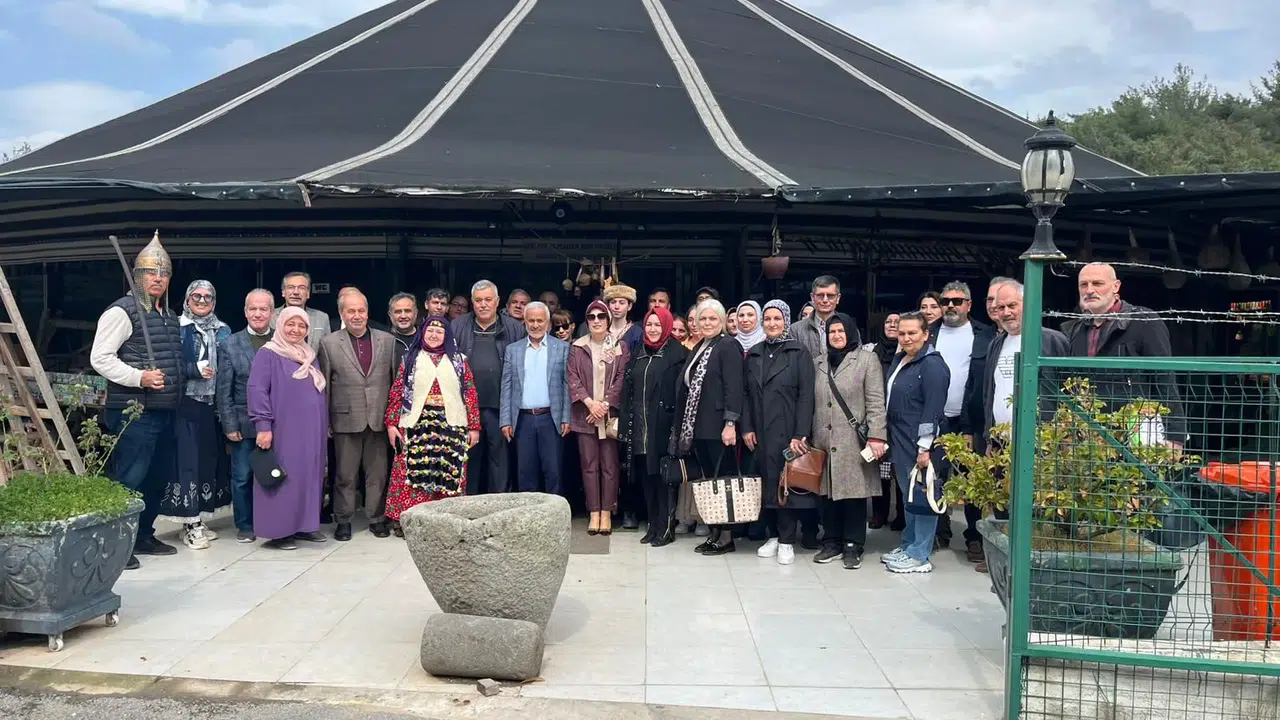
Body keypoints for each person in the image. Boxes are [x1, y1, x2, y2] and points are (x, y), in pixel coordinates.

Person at [89, 232, 183, 569]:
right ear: (136, 275)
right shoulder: (120, 312)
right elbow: (100, 358)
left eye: (164, 273)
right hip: (134, 411)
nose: (157, 278)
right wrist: (138, 377)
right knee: (130, 478)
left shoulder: (168, 316)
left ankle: (143, 535)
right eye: (150, 273)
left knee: (156, 478)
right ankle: (117, 546)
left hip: (165, 411)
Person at [968, 280, 1070, 572]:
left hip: (1041, 440)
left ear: (1029, 304)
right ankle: (1005, 559)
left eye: (1013, 305)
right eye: (1000, 307)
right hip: (1002, 442)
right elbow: (990, 392)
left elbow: (1067, 391)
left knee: (1037, 505)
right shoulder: (997, 342)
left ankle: (1035, 563)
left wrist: (1062, 436)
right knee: (1002, 504)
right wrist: (989, 437)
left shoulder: (1050, 340)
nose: (1006, 312)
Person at [1061, 262, 1186, 448]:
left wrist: (1175, 436)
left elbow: (1165, 378)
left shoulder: (1143, 322)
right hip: (1088, 435)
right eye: (1083, 285)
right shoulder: (1073, 331)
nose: (1089, 290)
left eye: (1097, 283)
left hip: (1137, 432)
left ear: (1116, 287)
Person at [384, 316, 481, 535]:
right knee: (411, 473)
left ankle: (443, 522)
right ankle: (406, 521)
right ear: (423, 332)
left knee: (446, 471)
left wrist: (474, 426)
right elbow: (397, 392)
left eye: (440, 332)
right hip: (415, 423)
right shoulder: (410, 358)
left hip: (450, 425)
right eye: (430, 331)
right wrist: (391, 424)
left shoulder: (459, 360)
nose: (434, 335)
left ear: (446, 335)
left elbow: (470, 394)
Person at [248, 307, 330, 550]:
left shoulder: (308, 354)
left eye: (301, 326)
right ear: (280, 325)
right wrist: (263, 425)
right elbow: (257, 389)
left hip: (311, 430)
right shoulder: (269, 353)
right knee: (285, 478)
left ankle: (305, 526)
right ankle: (280, 531)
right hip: (284, 428)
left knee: (309, 476)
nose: (296, 330)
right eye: (290, 324)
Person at [159, 279, 232, 550]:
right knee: (186, 461)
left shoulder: (223, 330)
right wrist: (193, 370)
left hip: (212, 405)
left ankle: (198, 518)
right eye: (196, 297)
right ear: (187, 299)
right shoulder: (176, 328)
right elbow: (168, 364)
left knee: (207, 461)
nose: (202, 302)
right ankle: (190, 523)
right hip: (185, 403)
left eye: (208, 297)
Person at [742, 300, 815, 566]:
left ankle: (787, 540)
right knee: (767, 483)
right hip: (760, 431)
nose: (772, 324)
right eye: (768, 319)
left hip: (787, 431)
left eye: (777, 319)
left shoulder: (798, 352)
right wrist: (746, 427)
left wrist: (800, 433)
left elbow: (806, 396)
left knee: (787, 485)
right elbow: (746, 394)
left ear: (786, 321)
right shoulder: (756, 352)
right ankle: (772, 535)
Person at [812, 313, 887, 569]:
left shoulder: (867, 360)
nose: (836, 336)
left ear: (851, 332)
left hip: (853, 440)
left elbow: (876, 401)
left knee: (855, 494)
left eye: (840, 331)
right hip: (823, 438)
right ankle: (831, 541)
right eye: (832, 332)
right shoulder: (818, 362)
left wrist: (877, 435)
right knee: (828, 493)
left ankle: (853, 544)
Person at [318, 291, 395, 541]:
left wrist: (394, 418)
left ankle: (376, 518)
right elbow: (326, 385)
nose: (357, 315)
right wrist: (326, 420)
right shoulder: (329, 343)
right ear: (342, 314)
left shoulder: (387, 340)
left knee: (378, 474)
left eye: (361, 310)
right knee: (345, 475)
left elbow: (394, 382)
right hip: (345, 418)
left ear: (368, 312)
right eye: (351, 311)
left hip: (379, 418)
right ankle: (343, 519)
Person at [927, 281, 995, 549]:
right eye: (945, 301)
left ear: (969, 304)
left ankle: (974, 537)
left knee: (973, 480)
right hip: (936, 419)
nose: (951, 306)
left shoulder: (986, 335)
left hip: (972, 421)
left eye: (957, 301)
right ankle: (939, 531)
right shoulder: (928, 333)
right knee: (935, 476)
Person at [675, 299, 745, 555]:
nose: (706, 323)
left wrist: (730, 423)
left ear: (722, 322)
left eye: (712, 319)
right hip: (700, 427)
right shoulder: (701, 347)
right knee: (708, 482)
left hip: (718, 426)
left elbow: (734, 387)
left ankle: (726, 537)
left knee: (723, 481)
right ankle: (715, 532)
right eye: (702, 319)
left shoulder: (728, 345)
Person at [883, 311, 950, 574]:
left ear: (926, 334)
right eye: (902, 333)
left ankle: (920, 554)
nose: (907, 338)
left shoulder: (932, 365)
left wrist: (925, 448)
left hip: (921, 444)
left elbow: (932, 409)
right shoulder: (901, 359)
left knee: (923, 496)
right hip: (900, 440)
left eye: (912, 333)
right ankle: (909, 544)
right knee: (908, 495)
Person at [620, 306, 688, 546]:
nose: (653, 329)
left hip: (663, 426)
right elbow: (628, 389)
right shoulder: (638, 351)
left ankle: (667, 528)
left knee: (664, 479)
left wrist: (677, 430)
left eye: (658, 325)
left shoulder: (678, 354)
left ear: (667, 326)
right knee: (647, 479)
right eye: (649, 324)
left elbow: (682, 396)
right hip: (640, 427)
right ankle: (652, 525)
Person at [451, 280, 526, 494]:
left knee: (499, 461)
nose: (483, 304)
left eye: (488, 299)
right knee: (469, 459)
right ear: (472, 302)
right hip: (465, 408)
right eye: (478, 300)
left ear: (497, 301)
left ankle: (498, 506)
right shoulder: (458, 326)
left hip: (499, 407)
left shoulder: (513, 327)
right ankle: (468, 505)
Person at [217, 288, 275, 544]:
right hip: (243, 422)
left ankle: (273, 521)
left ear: (272, 313)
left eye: (263, 309)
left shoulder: (283, 341)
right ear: (245, 312)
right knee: (242, 477)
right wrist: (229, 425)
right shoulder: (230, 344)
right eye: (253, 308)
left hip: (277, 422)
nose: (258, 314)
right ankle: (245, 524)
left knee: (274, 474)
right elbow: (224, 390)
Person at [568, 300, 629, 534]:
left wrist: (604, 405)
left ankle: (607, 512)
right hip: (586, 416)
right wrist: (590, 404)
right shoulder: (577, 347)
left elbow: (622, 378)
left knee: (610, 466)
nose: (596, 321)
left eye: (601, 317)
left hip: (609, 416)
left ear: (608, 320)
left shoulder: (620, 347)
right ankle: (594, 512)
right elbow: (572, 378)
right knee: (589, 465)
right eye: (591, 317)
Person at [500, 302, 572, 494]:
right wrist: (505, 420)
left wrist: (566, 416)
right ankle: (527, 520)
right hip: (523, 420)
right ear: (524, 322)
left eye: (540, 320)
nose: (535, 325)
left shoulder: (562, 348)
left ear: (548, 323)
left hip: (551, 418)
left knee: (554, 472)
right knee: (525, 473)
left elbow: (567, 384)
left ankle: (554, 518)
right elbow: (506, 386)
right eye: (531, 320)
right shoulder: (513, 350)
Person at [869, 312, 903, 530]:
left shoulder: (908, 353)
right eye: (888, 322)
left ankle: (901, 515)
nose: (891, 325)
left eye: (896, 322)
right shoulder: (873, 353)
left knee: (900, 470)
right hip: (878, 419)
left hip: (900, 421)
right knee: (879, 470)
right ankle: (879, 513)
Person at [794, 275, 861, 358]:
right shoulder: (796, 330)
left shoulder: (849, 329)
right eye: (820, 295)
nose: (825, 300)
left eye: (830, 296)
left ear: (838, 298)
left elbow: (858, 362)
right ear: (812, 297)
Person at [274, 271, 331, 350]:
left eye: (301, 288)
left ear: (308, 293)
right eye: (291, 287)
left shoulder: (321, 318)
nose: (296, 292)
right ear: (283, 292)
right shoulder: (271, 317)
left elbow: (327, 351)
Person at [388, 292, 420, 371]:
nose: (403, 316)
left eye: (407, 311)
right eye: (398, 312)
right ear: (390, 315)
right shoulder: (383, 341)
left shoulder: (426, 337)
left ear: (415, 313)